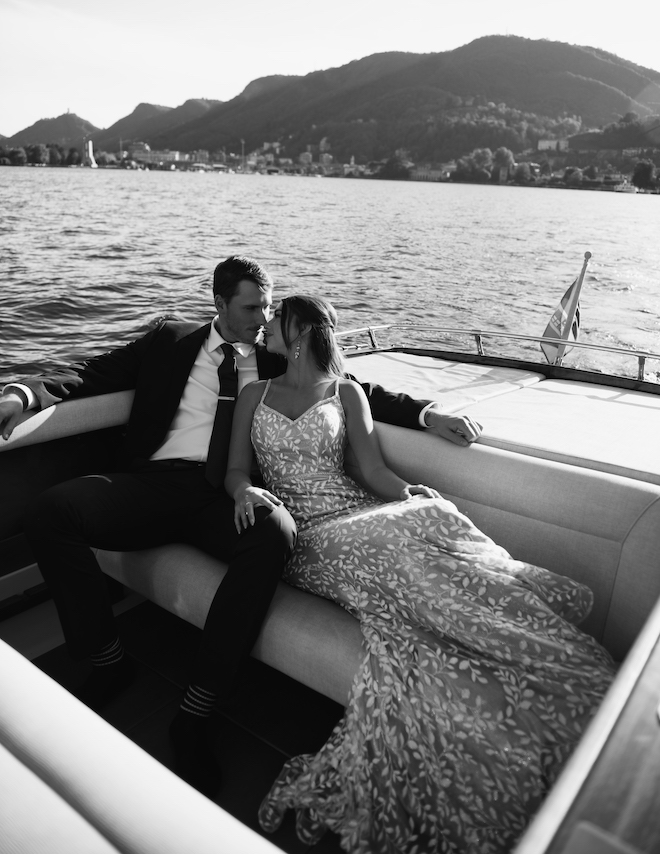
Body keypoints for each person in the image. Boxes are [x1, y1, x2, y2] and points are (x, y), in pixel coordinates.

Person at [0, 256, 482, 798]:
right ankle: (106, 661)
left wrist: (427, 414)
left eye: (268, 307)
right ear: (219, 303)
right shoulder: (169, 339)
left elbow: (349, 384)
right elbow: (90, 372)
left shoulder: (278, 361)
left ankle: (197, 712)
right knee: (48, 512)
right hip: (154, 484)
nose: (263, 316)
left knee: (274, 530)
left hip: (225, 498)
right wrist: (21, 395)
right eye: (252, 307)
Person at [225, 295, 616, 854]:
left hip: (357, 516)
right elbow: (236, 469)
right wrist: (243, 490)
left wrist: (407, 494)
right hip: (306, 538)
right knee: (401, 544)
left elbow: (373, 470)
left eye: (276, 322)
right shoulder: (253, 394)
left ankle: (535, 651)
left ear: (302, 333)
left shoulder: (347, 392)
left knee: (424, 522)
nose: (265, 329)